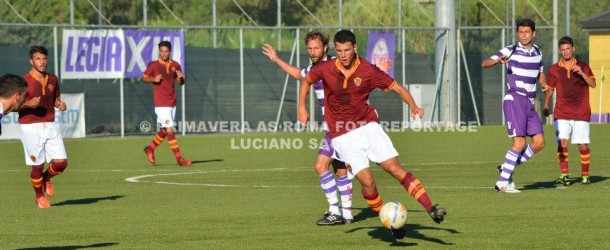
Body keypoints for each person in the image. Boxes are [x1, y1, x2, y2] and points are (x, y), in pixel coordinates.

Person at [297, 30, 446, 238]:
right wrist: (301, 108)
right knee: (368, 183)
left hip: (368, 127)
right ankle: (390, 222)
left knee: (394, 169)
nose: (343, 55)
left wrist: (413, 106)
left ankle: (431, 208)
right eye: (339, 50)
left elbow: (397, 88)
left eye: (347, 50)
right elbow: (306, 81)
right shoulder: (325, 68)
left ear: (355, 48)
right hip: (342, 135)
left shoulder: (368, 70)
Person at [262, 31, 354, 225]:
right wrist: (277, 59)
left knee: (321, 166)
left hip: (341, 125)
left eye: (316, 48)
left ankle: (334, 212)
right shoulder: (314, 68)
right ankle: (347, 214)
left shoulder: (336, 65)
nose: (312, 51)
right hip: (334, 125)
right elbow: (298, 74)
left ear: (325, 48)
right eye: (310, 48)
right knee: (339, 168)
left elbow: (357, 71)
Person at [481, 18, 549, 193]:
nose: (524, 35)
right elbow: (485, 63)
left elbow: (540, 74)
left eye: (527, 32)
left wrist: (544, 83)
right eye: (521, 32)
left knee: (539, 142)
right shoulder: (510, 50)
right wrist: (498, 60)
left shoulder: (537, 52)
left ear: (533, 33)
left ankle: (507, 167)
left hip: (530, 102)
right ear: (517, 33)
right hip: (515, 99)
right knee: (519, 143)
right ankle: (502, 183)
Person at [543, 36, 596, 186]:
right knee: (562, 142)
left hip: (581, 112)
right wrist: (546, 105)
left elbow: (593, 84)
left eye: (568, 49)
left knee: (582, 145)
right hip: (561, 112)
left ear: (573, 49)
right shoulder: (554, 69)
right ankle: (564, 174)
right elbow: (550, 88)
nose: (566, 52)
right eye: (563, 50)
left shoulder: (583, 66)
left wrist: (582, 73)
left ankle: (585, 176)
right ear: (560, 51)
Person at [19, 46, 67, 208]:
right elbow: (12, 105)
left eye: (44, 58)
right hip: (30, 127)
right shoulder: (23, 81)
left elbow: (55, 99)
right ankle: (39, 196)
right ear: (31, 61)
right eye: (38, 59)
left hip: (50, 124)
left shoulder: (53, 79)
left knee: (61, 163)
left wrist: (60, 104)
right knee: (37, 165)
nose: (42, 62)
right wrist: (28, 103)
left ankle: (46, 178)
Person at [142, 41, 191, 167]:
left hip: (172, 102)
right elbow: (144, 78)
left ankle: (150, 148)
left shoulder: (175, 65)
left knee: (164, 130)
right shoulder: (153, 65)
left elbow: (181, 82)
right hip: (161, 103)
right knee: (170, 129)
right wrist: (153, 79)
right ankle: (179, 159)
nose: (164, 53)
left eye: (166, 51)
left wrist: (181, 78)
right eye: (162, 51)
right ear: (159, 51)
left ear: (170, 51)